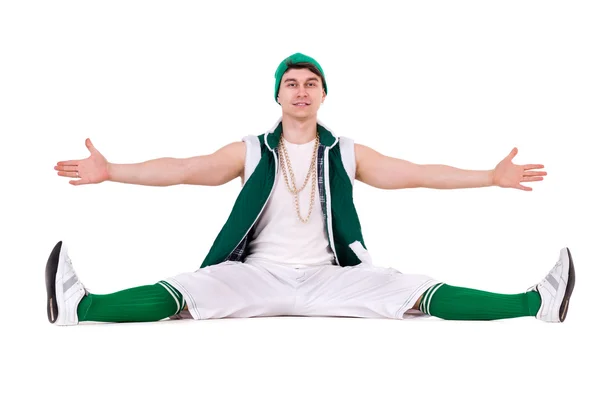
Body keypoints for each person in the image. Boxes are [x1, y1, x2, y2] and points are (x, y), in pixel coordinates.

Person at [46, 52, 575, 326]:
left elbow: (418, 172)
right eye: (291, 83)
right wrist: (111, 169)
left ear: (323, 94)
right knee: (188, 287)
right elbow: (183, 168)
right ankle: (79, 307)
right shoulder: (250, 150)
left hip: (332, 280)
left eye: (311, 83)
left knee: (412, 287)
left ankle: (537, 304)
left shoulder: (346, 152)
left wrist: (490, 176)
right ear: (277, 94)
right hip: (252, 276)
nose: (301, 91)